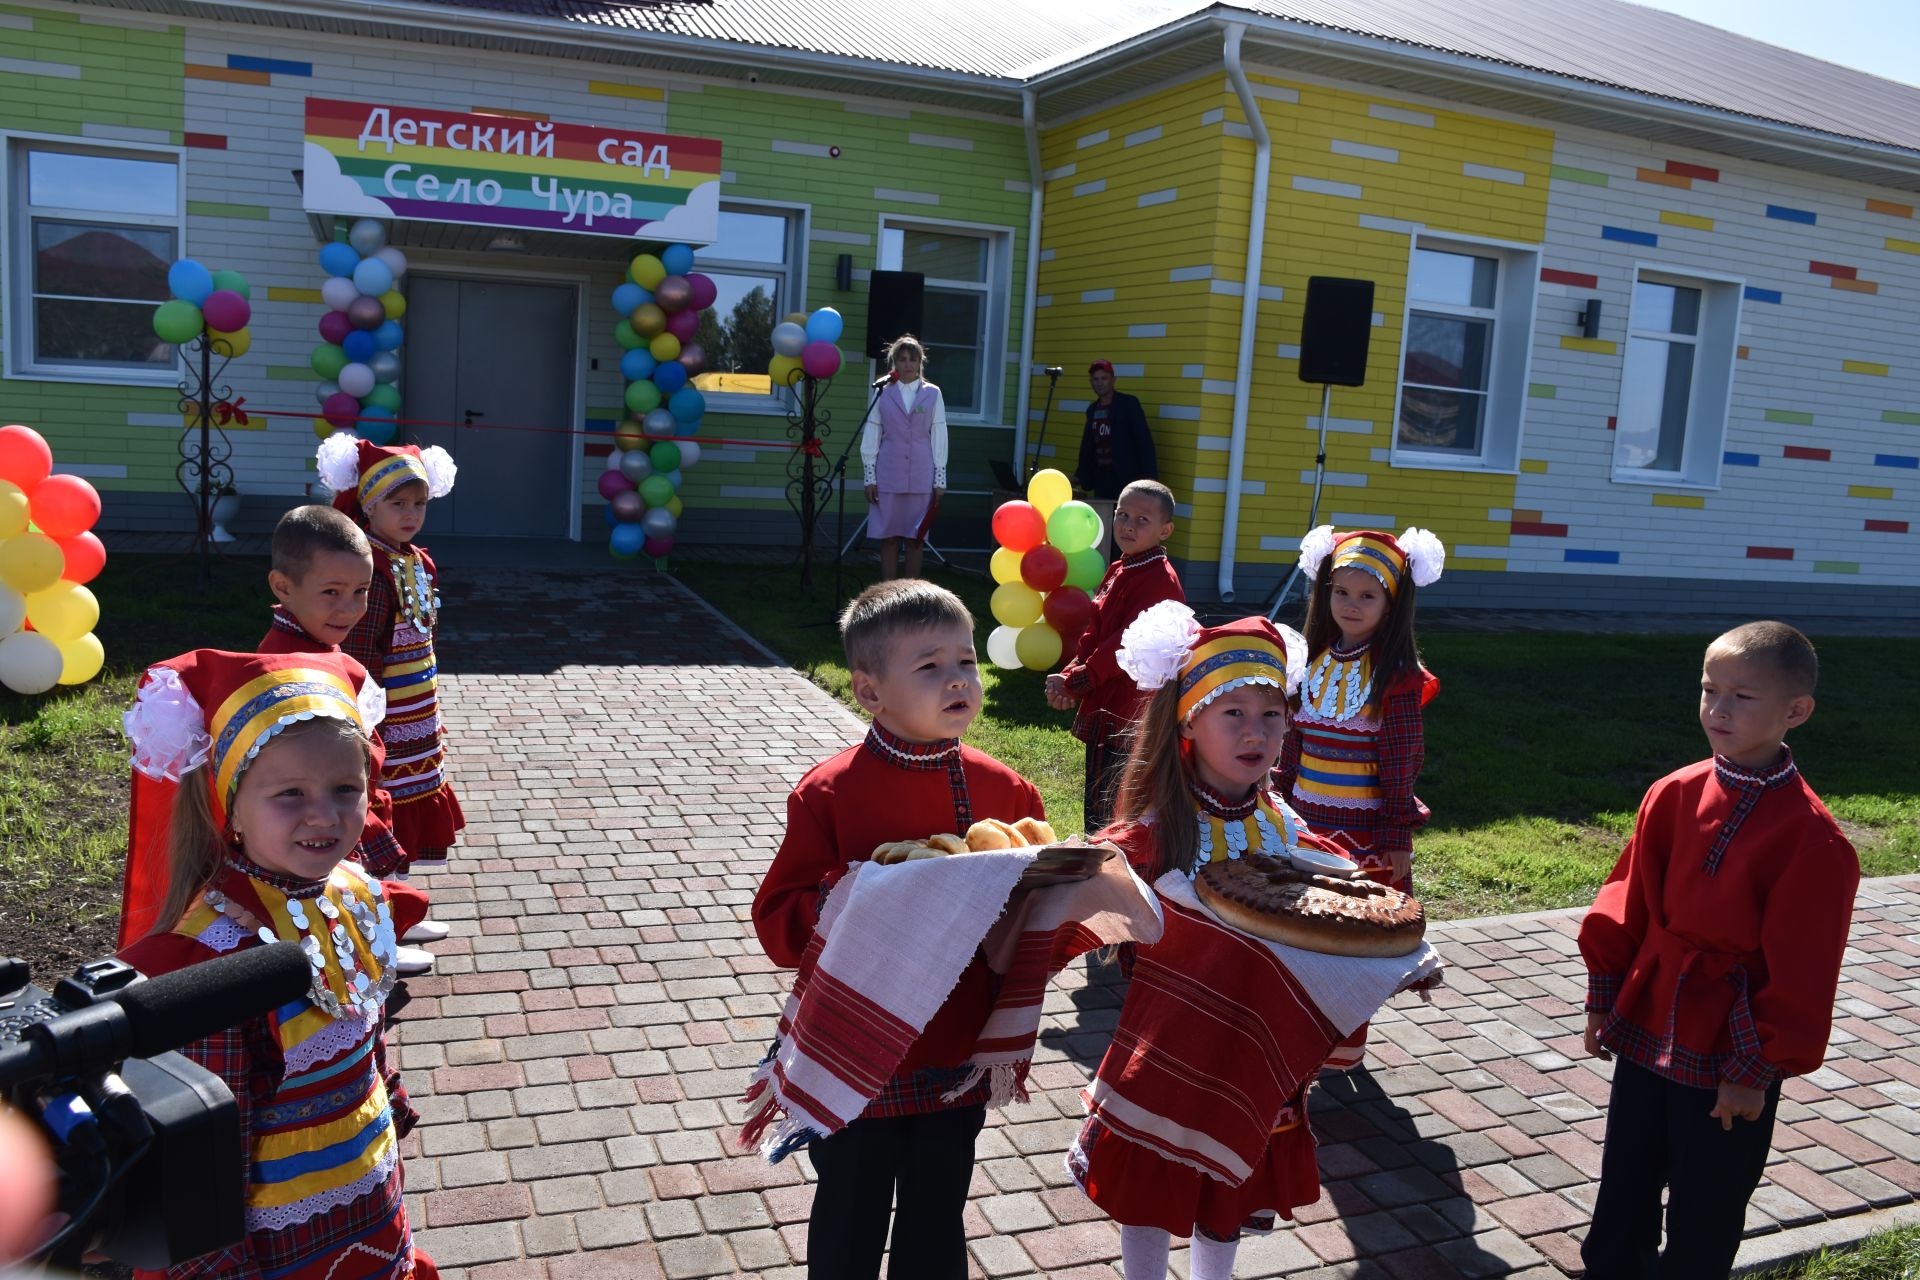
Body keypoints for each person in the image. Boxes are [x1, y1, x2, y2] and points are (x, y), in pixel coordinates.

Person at [1069, 605, 1429, 1280]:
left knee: (1230, 1185)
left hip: (1260, 1046)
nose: (1256, 732)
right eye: (1232, 713)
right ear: (1187, 723)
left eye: (1271, 715)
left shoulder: (1282, 825)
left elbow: (1345, 893)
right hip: (1173, 1041)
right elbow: (1088, 891)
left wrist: (1400, 956)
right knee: (1150, 1181)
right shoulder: (1155, 830)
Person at [752, 580, 1044, 1280]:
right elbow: (779, 928)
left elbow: (1033, 925)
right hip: (852, 1049)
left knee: (937, 1214)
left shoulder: (1009, 794)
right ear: (868, 690)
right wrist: (860, 893)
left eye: (967, 662)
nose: (958, 681)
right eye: (930, 666)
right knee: (849, 1210)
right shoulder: (829, 792)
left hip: (954, 1049)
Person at [117, 649, 434, 1280]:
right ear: (230, 804)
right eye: (289, 793)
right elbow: (203, 1143)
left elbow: (361, 1022)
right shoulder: (216, 959)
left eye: (346, 789)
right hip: (274, 1237)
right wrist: (218, 1263)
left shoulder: (353, 891)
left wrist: (389, 1103)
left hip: (368, 1195)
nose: (324, 814)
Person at [1578, 622, 1857, 1280]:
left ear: (1796, 711)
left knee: (1707, 1207)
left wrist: (1755, 1068)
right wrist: (1604, 997)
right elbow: (1627, 899)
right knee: (1625, 1184)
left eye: (1742, 696)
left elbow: (1804, 971)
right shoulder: (1672, 794)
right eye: (1709, 690)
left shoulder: (1813, 842)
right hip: (1649, 1019)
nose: (1719, 709)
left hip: (1729, 1046)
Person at [1273, 526, 1443, 1070]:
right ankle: (1297, 1027)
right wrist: (1276, 801)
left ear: (1392, 604)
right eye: (1341, 592)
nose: (1352, 604)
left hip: (1361, 836)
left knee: (1348, 931)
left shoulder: (1394, 679)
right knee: (1301, 924)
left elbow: (1400, 763)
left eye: (1367, 595)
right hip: (1303, 823)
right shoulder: (1312, 663)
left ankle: (1341, 1043)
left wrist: (1395, 835)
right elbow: (1292, 744)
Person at [259, 503, 443, 973]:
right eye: (331, 592)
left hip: (350, 791)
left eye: (360, 591)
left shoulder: (322, 644)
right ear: (283, 587)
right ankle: (376, 943)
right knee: (340, 880)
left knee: (361, 876)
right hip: (321, 811)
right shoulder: (287, 665)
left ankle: (388, 923)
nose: (350, 608)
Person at [318, 435, 465, 871]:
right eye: (397, 503)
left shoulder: (416, 559)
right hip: (383, 715)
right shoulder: (369, 567)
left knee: (414, 795)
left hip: (415, 710)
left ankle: (399, 901)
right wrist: (363, 717)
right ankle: (383, 905)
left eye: (418, 505)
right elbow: (360, 653)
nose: (410, 514)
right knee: (384, 800)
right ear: (370, 505)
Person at [1045, 479, 1184, 830]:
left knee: (1119, 791)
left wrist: (1078, 681)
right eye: (1123, 515)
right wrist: (1070, 673)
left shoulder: (1159, 580)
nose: (1128, 525)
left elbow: (1126, 644)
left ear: (1165, 530)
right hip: (1108, 696)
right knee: (1098, 785)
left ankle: (1112, 859)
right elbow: (1096, 632)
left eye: (1142, 519)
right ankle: (1096, 850)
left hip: (1131, 706)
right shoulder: (1122, 567)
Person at [859, 335, 947, 581]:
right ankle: (887, 593)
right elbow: (872, 433)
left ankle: (911, 594)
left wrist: (940, 478)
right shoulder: (882, 392)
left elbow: (939, 434)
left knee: (915, 539)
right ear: (894, 362)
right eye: (902, 359)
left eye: (913, 359)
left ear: (921, 362)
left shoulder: (933, 393)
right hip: (888, 474)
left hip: (921, 475)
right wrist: (869, 476)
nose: (908, 364)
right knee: (888, 538)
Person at [1074, 361, 1157, 555]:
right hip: (1102, 479)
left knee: (1127, 525)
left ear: (1113, 380)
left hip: (1127, 479)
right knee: (1103, 526)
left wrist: (1150, 479)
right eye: (1095, 379)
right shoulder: (1093, 410)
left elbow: (1144, 441)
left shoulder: (1128, 404)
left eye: (1104, 378)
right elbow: (1088, 447)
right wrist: (1080, 475)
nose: (1099, 383)